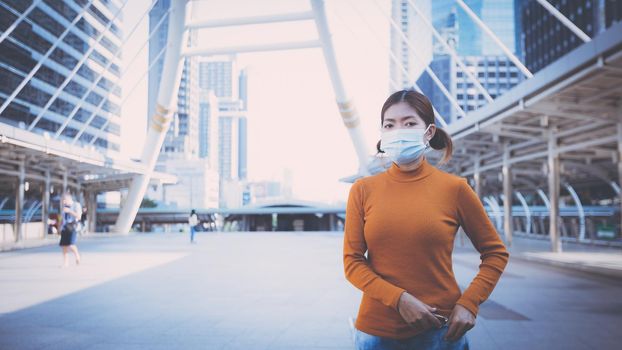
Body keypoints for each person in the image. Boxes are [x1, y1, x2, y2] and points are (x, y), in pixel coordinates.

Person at [343, 90, 509, 350]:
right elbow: (352, 262)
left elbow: (495, 253)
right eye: (390, 124)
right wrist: (400, 299)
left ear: (429, 132)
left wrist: (469, 304)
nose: (398, 130)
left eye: (409, 123)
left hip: (441, 333)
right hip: (376, 333)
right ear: (383, 133)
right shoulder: (363, 190)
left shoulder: (455, 189)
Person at [59, 192, 82, 267]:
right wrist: (60, 226)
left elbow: (79, 217)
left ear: (69, 199)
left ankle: (77, 255)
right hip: (65, 227)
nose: (63, 202)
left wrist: (70, 211)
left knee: (71, 244)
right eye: (63, 201)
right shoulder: (64, 207)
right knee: (64, 246)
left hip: (73, 227)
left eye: (64, 200)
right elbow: (62, 218)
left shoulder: (76, 205)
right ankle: (65, 263)